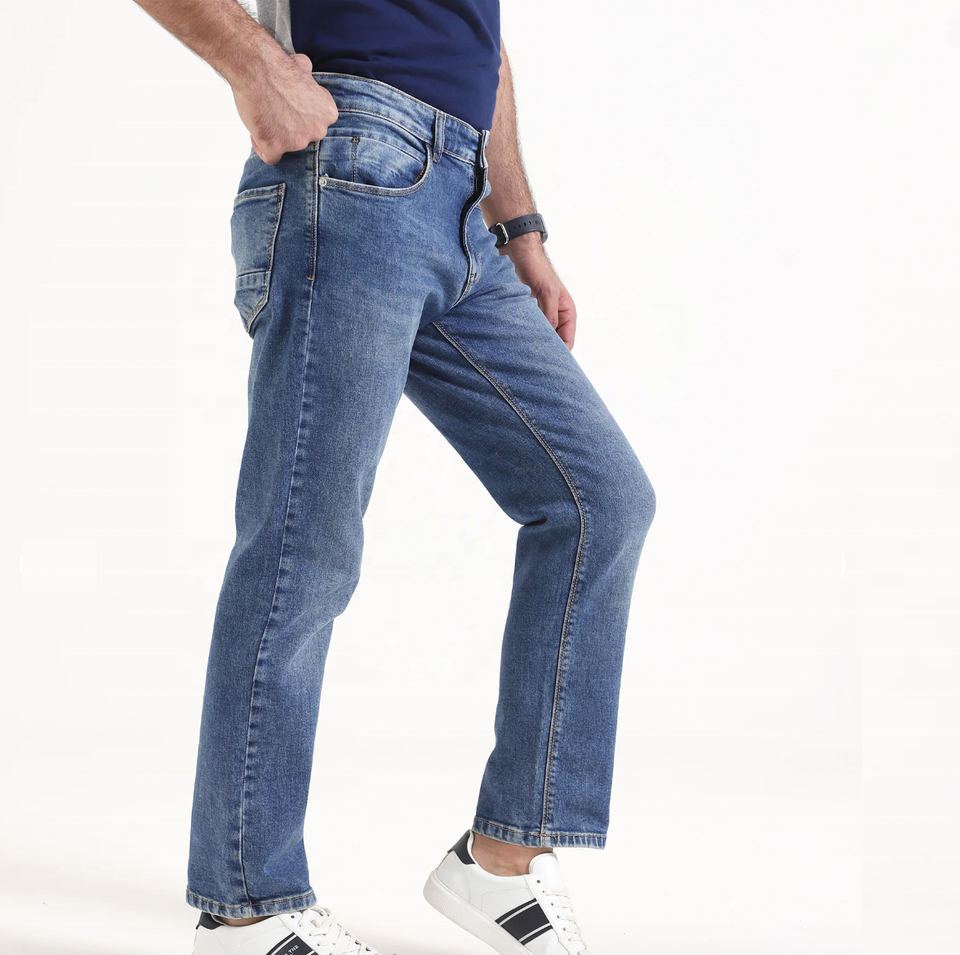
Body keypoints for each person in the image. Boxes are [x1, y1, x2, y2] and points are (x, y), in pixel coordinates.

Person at [132, 2, 656, 953]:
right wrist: (255, 64)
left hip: (462, 206)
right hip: (351, 166)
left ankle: (501, 859)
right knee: (304, 547)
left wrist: (520, 228)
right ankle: (246, 905)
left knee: (599, 500)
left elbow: (485, 43)